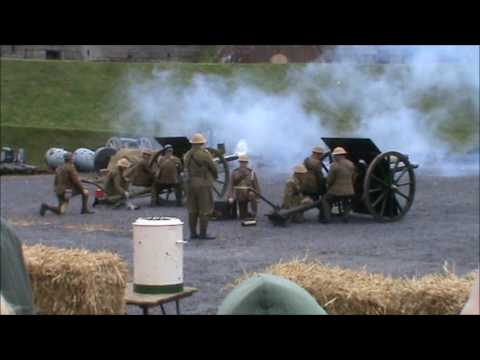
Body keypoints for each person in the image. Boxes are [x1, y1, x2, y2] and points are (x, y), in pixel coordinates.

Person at [183, 133, 218, 240]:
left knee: (192, 209)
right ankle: (203, 234)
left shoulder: (187, 155)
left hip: (190, 184)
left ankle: (193, 233)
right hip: (203, 184)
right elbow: (213, 168)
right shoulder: (205, 154)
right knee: (205, 209)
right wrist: (214, 176)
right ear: (202, 143)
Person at [321, 147, 356, 223]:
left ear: (338, 155)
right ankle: (346, 217)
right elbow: (354, 177)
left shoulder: (334, 165)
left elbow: (330, 180)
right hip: (349, 190)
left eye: (335, 155)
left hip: (336, 191)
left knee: (325, 200)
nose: (334, 157)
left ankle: (327, 218)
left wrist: (328, 187)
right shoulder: (351, 164)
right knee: (346, 201)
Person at [227, 155, 261, 219]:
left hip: (249, 193)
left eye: (244, 162)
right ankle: (245, 213)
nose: (243, 164)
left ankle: (254, 213)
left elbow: (256, 185)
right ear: (239, 162)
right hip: (239, 194)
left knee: (252, 194)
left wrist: (258, 197)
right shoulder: (234, 172)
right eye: (242, 162)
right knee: (243, 216)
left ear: (247, 163)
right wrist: (230, 197)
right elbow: (231, 185)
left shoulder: (251, 172)